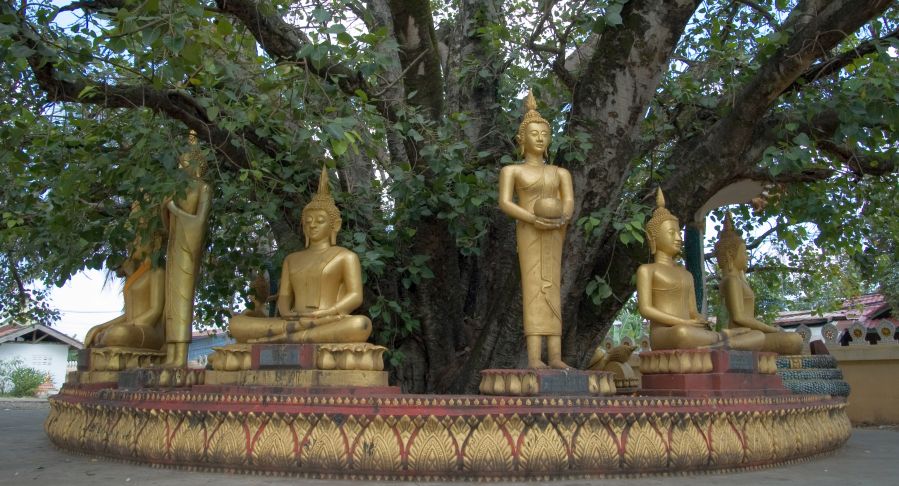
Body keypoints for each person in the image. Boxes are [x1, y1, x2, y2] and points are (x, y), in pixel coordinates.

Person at [229, 167, 371, 344]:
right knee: (236, 323)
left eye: (320, 221)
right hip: (292, 321)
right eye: (308, 221)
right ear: (303, 225)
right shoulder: (292, 259)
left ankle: (282, 339)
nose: (313, 225)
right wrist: (288, 315)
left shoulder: (346, 257)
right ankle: (293, 335)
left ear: (335, 225)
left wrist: (328, 312)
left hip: (326, 320)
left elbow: (355, 296)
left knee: (360, 324)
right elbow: (285, 297)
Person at [498, 90, 574, 369]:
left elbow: (568, 205)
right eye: (534, 133)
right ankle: (534, 358)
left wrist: (558, 219)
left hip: (553, 231)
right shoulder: (512, 171)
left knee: (553, 286)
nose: (540, 138)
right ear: (522, 138)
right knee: (533, 288)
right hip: (529, 231)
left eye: (545, 133)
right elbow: (505, 202)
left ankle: (555, 355)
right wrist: (532, 219)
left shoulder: (560, 173)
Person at [637, 189, 763, 351]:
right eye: (671, 233)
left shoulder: (686, 274)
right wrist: (684, 322)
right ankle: (723, 339)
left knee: (757, 335)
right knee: (682, 333)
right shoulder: (647, 270)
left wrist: (699, 319)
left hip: (692, 330)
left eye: (679, 233)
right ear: (652, 238)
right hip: (666, 333)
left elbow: (692, 311)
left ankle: (722, 344)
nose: (678, 238)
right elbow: (646, 309)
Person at [716, 212, 802, 354]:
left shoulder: (738, 279)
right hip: (740, 334)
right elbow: (739, 317)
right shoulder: (731, 281)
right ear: (731, 255)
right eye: (744, 253)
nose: (747, 257)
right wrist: (772, 329)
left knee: (793, 339)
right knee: (792, 340)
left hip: (751, 334)